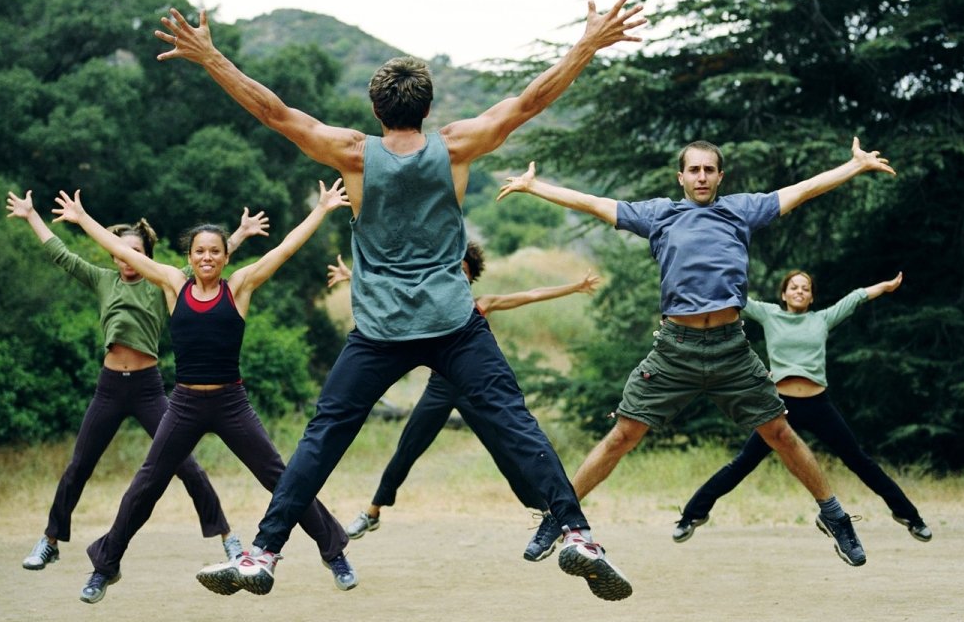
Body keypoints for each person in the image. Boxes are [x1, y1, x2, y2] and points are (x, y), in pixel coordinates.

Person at [158, 0, 645, 601]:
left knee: (323, 436)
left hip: (381, 329)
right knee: (515, 422)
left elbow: (276, 113)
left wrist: (212, 58)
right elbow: (531, 101)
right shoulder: (458, 146)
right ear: (429, 107)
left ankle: (263, 553)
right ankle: (577, 535)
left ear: (375, 107)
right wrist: (587, 46)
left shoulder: (353, 154)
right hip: (453, 321)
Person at [497, 140, 896, 568]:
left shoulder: (741, 210)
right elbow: (595, 203)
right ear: (681, 177)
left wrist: (852, 168)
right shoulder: (659, 215)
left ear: (720, 177)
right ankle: (559, 516)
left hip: (731, 349)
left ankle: (833, 516)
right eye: (694, 170)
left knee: (780, 433)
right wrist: (535, 187)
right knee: (623, 436)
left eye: (710, 170)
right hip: (675, 350)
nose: (702, 177)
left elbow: (801, 189)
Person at [48, 181, 357, 604]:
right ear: (189, 257)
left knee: (283, 478)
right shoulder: (174, 284)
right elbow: (125, 253)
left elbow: (284, 249)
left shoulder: (240, 286)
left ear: (226, 255)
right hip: (186, 403)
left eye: (215, 251)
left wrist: (321, 210)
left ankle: (334, 552)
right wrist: (83, 220)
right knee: (147, 483)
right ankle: (105, 566)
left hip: (231, 402)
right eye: (199, 251)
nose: (207, 257)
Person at [6, 191, 268, 572]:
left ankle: (227, 538)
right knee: (80, 464)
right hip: (110, 387)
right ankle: (50, 540)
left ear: (147, 256)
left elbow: (206, 262)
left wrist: (239, 235)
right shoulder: (101, 280)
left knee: (187, 466)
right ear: (115, 255)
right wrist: (32, 216)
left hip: (148, 388)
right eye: (123, 251)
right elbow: (60, 254)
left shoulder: (161, 283)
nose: (130, 258)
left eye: (138, 252)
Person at [328, 245, 600, 558]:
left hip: (474, 391)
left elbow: (532, 294)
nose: (456, 272)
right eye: (451, 267)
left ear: (470, 277)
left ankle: (555, 516)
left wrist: (575, 287)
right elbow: (390, 288)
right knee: (407, 448)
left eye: (463, 269)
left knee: (508, 454)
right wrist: (351, 275)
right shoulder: (430, 302)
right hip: (439, 389)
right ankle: (372, 512)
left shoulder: (481, 304)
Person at [673, 269, 933, 543]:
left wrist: (886, 286)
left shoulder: (822, 318)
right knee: (743, 463)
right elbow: (733, 297)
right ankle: (691, 516)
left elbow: (856, 298)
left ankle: (910, 517)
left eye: (805, 288)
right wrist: (698, 276)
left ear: (811, 298)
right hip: (779, 407)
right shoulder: (770, 314)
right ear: (784, 294)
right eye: (794, 287)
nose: (799, 291)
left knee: (859, 460)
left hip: (818, 405)